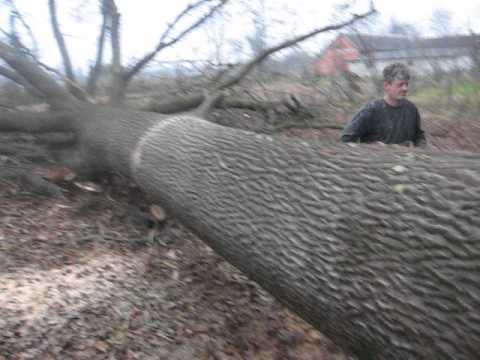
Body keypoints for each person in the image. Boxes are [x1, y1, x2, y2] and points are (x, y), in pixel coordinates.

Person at [341, 63, 426, 147]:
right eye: (400, 84)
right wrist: (369, 147)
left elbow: (419, 137)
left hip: (405, 159)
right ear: (386, 85)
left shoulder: (411, 109)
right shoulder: (371, 110)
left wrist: (420, 150)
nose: (405, 88)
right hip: (375, 159)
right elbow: (346, 138)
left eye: (406, 84)